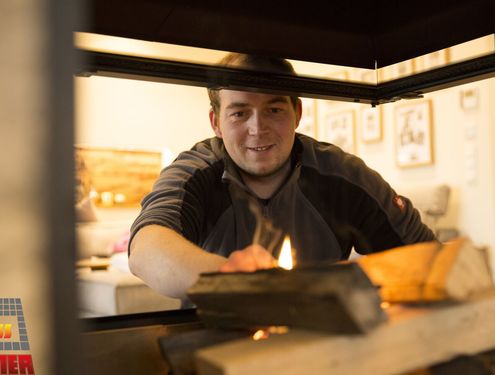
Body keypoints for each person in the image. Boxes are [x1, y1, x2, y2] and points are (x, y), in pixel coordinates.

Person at [128, 53, 435, 301]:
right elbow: (146, 249)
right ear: (216, 122)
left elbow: (427, 257)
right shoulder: (195, 172)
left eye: (274, 110)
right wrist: (236, 280)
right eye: (239, 113)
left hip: (325, 341)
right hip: (216, 340)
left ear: (297, 113)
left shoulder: (344, 175)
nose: (257, 128)